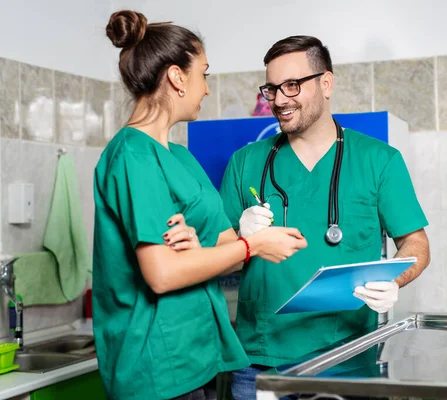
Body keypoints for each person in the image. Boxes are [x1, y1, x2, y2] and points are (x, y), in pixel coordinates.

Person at [92, 11, 307, 400]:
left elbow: (226, 249)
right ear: (177, 77)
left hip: (200, 356)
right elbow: (161, 275)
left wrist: (221, 244)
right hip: (156, 366)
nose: (206, 89)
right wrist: (252, 244)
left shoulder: (181, 156)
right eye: (203, 74)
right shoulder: (132, 155)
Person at [218, 35, 431, 399]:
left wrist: (395, 281)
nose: (280, 100)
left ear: (326, 83)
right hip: (260, 360)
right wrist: (241, 238)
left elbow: (416, 243)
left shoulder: (379, 160)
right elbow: (214, 258)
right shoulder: (244, 162)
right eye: (272, 89)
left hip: (349, 358)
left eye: (292, 85)